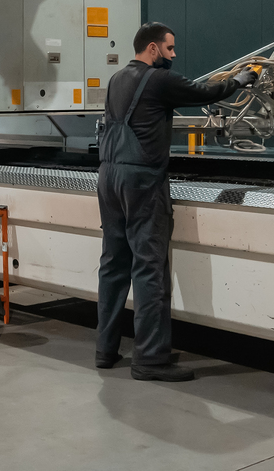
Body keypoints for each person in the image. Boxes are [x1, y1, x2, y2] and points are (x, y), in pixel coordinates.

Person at [95, 22, 258, 382]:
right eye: (169, 49)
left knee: (113, 264)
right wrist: (240, 79)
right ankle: (150, 360)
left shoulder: (117, 79)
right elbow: (205, 92)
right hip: (141, 181)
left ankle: (105, 350)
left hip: (108, 177)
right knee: (149, 268)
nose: (173, 55)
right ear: (152, 48)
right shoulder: (159, 80)